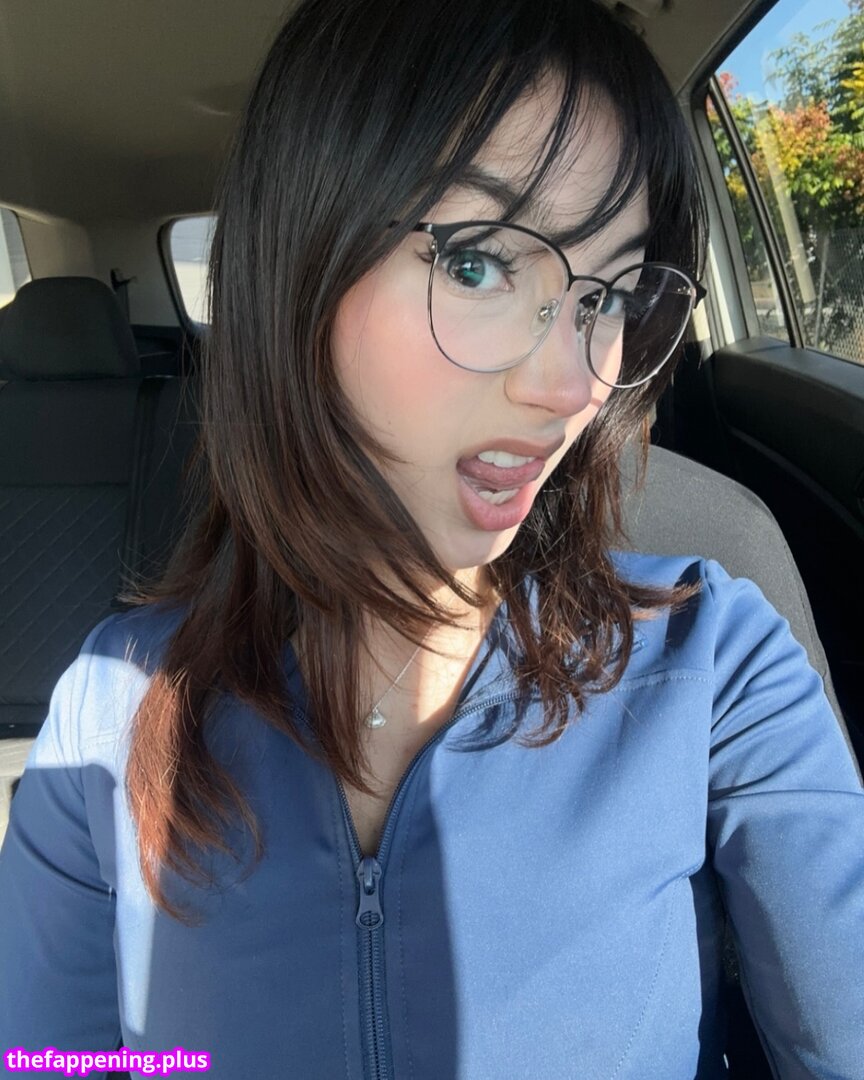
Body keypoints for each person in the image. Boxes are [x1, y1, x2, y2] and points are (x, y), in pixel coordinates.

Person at [1, 0, 862, 1076]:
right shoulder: (112, 709)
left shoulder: (717, 663)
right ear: (298, 268)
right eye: (480, 264)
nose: (572, 386)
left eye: (606, 296)